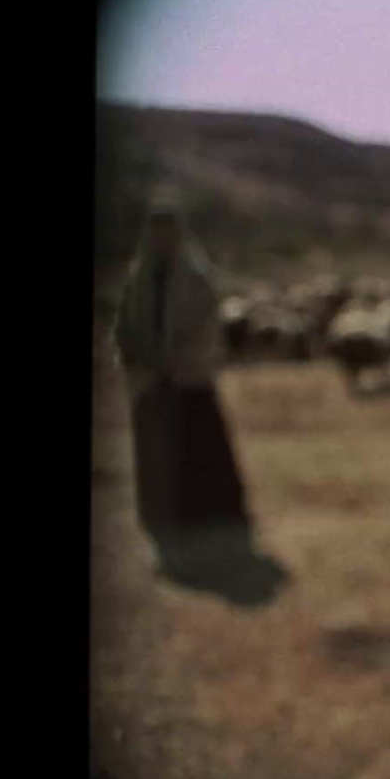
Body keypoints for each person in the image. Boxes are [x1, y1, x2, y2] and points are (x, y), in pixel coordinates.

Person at [112, 189, 288, 607]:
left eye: (168, 234)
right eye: (156, 234)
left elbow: (205, 329)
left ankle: (215, 527)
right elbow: (126, 325)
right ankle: (166, 525)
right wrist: (138, 358)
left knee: (200, 453)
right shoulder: (138, 279)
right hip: (151, 386)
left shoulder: (195, 279)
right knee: (156, 456)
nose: (162, 242)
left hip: (187, 382)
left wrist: (176, 361)